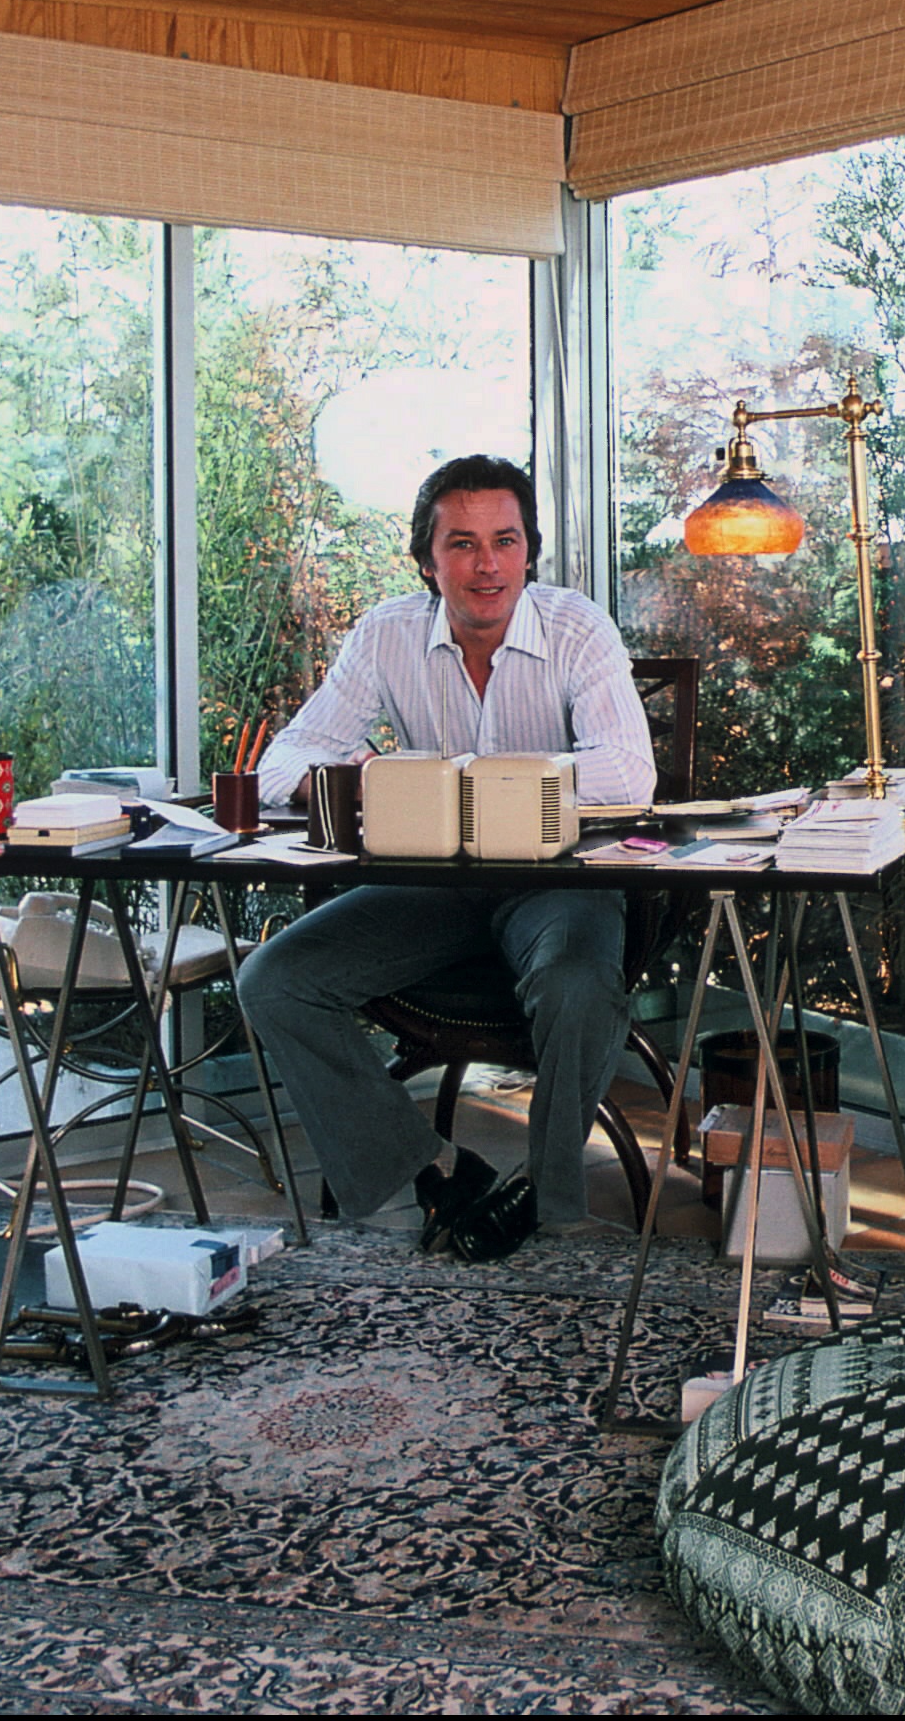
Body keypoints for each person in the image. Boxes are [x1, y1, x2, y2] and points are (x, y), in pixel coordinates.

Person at [236, 454, 656, 1258]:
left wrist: (465, 785)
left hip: (556, 881)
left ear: (529, 549)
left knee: (575, 981)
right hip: (429, 885)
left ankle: (546, 1198)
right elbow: (283, 763)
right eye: (461, 544)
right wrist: (347, 779)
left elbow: (627, 773)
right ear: (426, 563)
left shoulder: (577, 627)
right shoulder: (386, 634)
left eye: (504, 540)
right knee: (275, 981)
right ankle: (431, 1171)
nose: (486, 564)